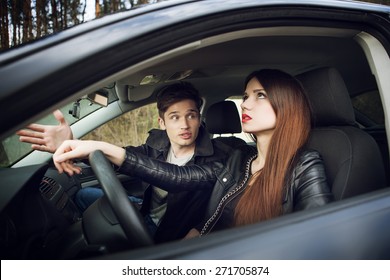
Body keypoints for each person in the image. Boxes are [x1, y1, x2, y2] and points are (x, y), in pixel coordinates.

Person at [52, 69, 334, 238]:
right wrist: (201, 230)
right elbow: (186, 182)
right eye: (246, 96)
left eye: (259, 95)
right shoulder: (242, 162)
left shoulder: (304, 165)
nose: (245, 104)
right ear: (162, 123)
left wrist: (100, 147)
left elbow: (318, 238)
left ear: (286, 105)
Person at [17, 81, 232, 243]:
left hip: (168, 232)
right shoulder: (156, 145)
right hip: (143, 211)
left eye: (191, 115)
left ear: (198, 118)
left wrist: (199, 230)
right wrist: (73, 144)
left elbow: (178, 179)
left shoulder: (219, 157)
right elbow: (122, 159)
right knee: (83, 195)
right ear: (162, 122)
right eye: (175, 117)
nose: (185, 124)